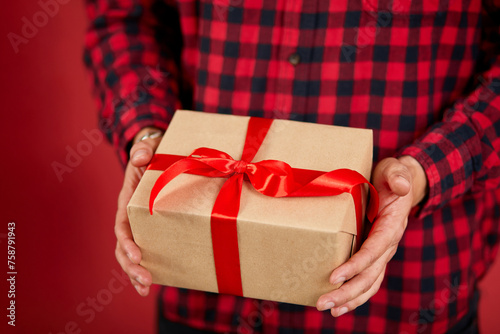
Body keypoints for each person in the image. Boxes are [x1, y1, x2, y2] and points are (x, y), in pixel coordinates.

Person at [84, 0, 500, 332]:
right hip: (199, 289)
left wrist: (423, 171)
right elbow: (123, 18)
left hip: (407, 300)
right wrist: (147, 134)